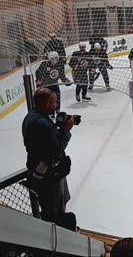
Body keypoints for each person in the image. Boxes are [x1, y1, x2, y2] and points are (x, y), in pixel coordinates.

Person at [22, 88, 77, 231]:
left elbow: (46, 143)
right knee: (53, 211)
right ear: (47, 103)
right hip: (49, 177)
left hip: (45, 173)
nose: (57, 103)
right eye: (54, 101)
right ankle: (57, 237)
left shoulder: (32, 117)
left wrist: (57, 129)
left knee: (52, 207)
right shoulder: (41, 124)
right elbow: (56, 150)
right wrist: (66, 131)